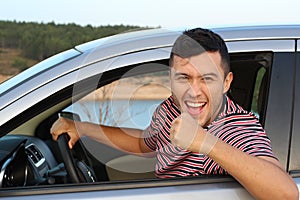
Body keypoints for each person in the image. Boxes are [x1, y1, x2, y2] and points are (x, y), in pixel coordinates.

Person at [50, 28, 298, 199]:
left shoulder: (236, 127)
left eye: (207, 79)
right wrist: (82, 128)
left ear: (225, 83)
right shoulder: (170, 108)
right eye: (184, 78)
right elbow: (144, 142)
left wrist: (204, 142)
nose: (194, 92)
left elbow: (286, 194)